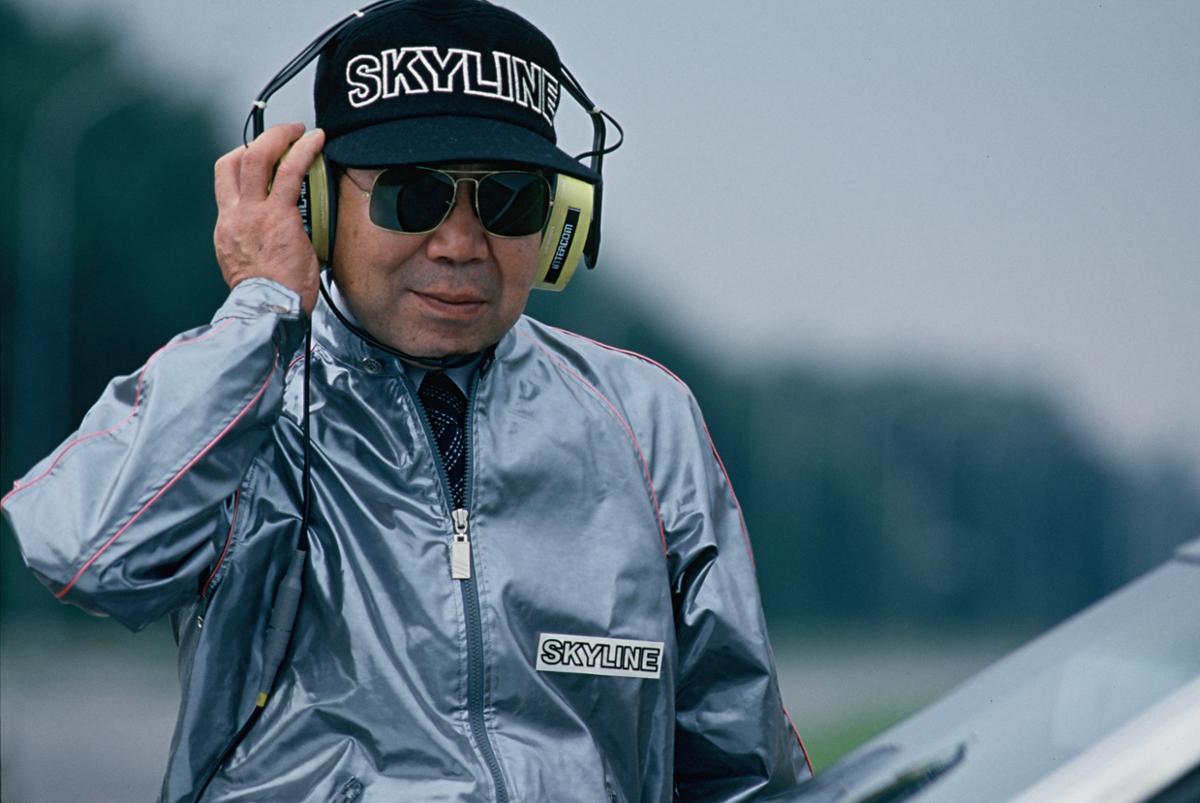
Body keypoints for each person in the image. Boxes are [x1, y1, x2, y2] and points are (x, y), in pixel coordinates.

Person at [1, 1, 812, 800]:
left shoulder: (645, 416)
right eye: (412, 196)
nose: (460, 244)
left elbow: (745, 767)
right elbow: (88, 556)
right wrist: (258, 310)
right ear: (316, 206)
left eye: (508, 199)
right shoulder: (237, 397)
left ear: (559, 223)